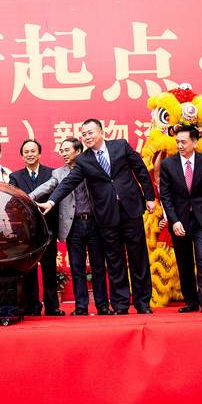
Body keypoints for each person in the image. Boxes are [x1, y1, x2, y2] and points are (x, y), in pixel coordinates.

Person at [39, 119, 156, 315]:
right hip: (106, 215)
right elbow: (68, 182)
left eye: (90, 132)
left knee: (138, 258)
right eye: (84, 134)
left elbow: (140, 170)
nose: (87, 137)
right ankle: (121, 304)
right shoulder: (84, 160)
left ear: (102, 132)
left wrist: (150, 197)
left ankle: (143, 302)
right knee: (115, 261)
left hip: (131, 209)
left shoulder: (121, 146)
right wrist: (51, 202)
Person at [30, 137, 110, 316]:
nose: (63, 154)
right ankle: (81, 306)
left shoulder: (93, 166)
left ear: (78, 151)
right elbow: (46, 187)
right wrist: (28, 197)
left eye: (67, 150)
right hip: (73, 225)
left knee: (98, 266)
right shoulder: (58, 173)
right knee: (76, 267)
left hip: (95, 222)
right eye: (62, 150)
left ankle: (102, 305)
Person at [159, 126, 202, 314]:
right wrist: (174, 220)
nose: (179, 145)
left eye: (183, 142)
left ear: (194, 142)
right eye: (177, 142)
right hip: (180, 220)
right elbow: (166, 196)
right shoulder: (168, 164)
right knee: (184, 260)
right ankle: (191, 301)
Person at [10, 139, 64, 316]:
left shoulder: (52, 173)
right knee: (29, 270)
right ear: (22, 156)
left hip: (48, 229)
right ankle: (32, 306)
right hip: (26, 233)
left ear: (39, 154)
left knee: (49, 269)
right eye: (26, 152)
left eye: (33, 151)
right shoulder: (15, 177)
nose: (30, 154)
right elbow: (15, 203)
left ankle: (52, 307)